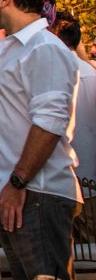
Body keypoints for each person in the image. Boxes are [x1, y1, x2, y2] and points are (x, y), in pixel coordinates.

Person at [0, 0, 81, 280]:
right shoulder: (12, 49)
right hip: (14, 193)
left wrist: (17, 181)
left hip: (34, 193)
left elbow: (50, 124)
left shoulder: (44, 48)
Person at [48, 12, 96, 186]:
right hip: (88, 179)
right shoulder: (91, 73)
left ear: (54, 36)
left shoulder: (53, 72)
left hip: (61, 181)